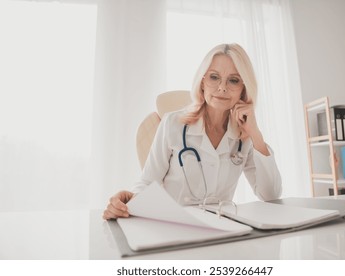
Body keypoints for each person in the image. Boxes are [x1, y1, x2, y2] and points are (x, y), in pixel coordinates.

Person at [103, 43, 282, 220]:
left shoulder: (244, 135)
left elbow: (271, 196)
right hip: (174, 227)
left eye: (233, 80)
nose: (222, 87)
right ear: (202, 82)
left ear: (243, 89)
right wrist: (128, 203)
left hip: (221, 231)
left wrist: (256, 134)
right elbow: (147, 182)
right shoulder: (173, 124)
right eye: (214, 77)